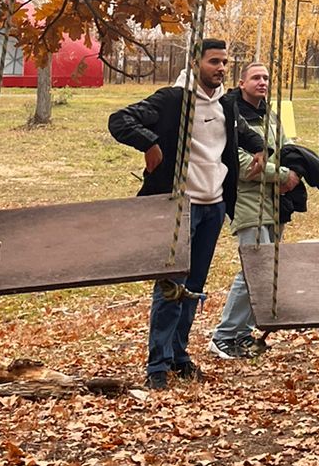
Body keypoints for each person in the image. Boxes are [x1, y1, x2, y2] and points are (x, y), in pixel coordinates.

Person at [108, 39, 263, 390]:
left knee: (193, 287)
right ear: (195, 64)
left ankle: (179, 355)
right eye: (213, 62)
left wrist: (258, 147)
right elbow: (120, 120)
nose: (220, 68)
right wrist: (149, 143)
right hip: (180, 207)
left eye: (224, 62)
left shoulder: (226, 103)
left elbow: (239, 129)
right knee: (171, 286)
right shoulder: (173, 99)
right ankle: (157, 366)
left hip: (214, 207)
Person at [207, 62, 300, 362]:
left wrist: (293, 171)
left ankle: (242, 333)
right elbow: (244, 166)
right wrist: (283, 175)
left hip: (275, 204)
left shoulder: (270, 115)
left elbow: (287, 149)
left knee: (265, 270)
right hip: (248, 203)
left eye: (266, 78)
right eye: (256, 77)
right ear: (242, 82)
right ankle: (223, 335)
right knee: (253, 268)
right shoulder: (230, 115)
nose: (262, 82)